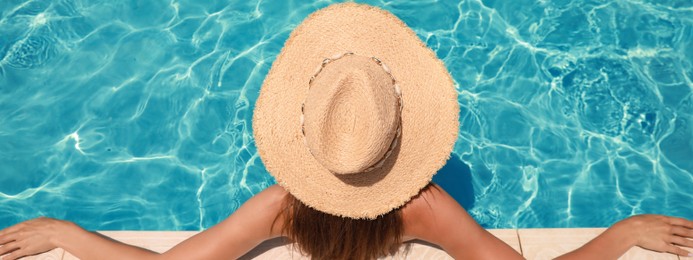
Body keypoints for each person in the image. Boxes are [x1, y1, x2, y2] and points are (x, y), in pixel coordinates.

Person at [1, 3, 691, 260]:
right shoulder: (422, 208)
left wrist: (70, 235)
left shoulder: (281, 206)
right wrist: (620, 234)